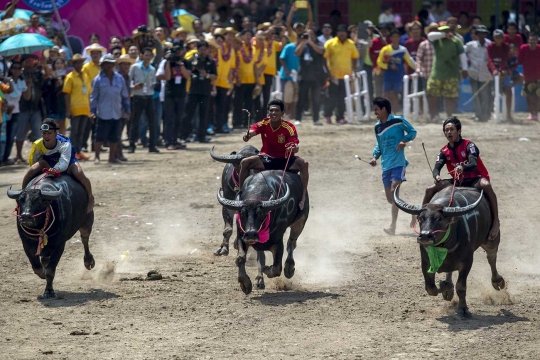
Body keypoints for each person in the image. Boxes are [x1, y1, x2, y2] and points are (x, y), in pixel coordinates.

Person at [422, 116, 500, 241]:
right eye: (446, 130)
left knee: (486, 185)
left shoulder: (469, 145)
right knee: (429, 189)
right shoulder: (444, 151)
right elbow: (437, 167)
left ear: (459, 131)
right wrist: (436, 175)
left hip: (475, 179)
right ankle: (423, 218)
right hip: (458, 181)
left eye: (452, 129)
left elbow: (473, 164)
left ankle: (496, 221)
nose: (449, 132)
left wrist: (462, 168)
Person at [239, 99, 309, 210]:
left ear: (282, 113)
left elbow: (295, 145)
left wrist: (294, 148)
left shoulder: (289, 127)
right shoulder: (264, 123)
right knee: (244, 162)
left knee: (304, 164)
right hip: (267, 158)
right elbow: (253, 130)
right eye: (271, 111)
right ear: (268, 113)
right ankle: (241, 194)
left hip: (285, 159)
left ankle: (303, 197)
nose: (273, 113)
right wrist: (248, 135)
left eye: (276, 110)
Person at [24, 119, 94, 213]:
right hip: (48, 163)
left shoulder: (65, 143)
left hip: (68, 163)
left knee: (79, 173)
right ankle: (23, 195)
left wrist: (56, 169)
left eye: (49, 133)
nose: (46, 136)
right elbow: (33, 160)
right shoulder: (38, 144)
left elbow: (64, 162)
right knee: (31, 170)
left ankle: (90, 197)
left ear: (55, 133)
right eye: (44, 133)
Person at [369, 97, 416, 235]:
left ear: (384, 109)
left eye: (376, 109)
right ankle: (413, 210)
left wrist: (404, 140)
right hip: (386, 165)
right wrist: (374, 157)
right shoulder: (377, 127)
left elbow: (413, 132)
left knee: (394, 191)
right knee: (392, 199)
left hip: (398, 164)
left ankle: (392, 227)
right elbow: (379, 144)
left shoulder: (398, 121)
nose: (375, 112)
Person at [90, 54, 130, 164]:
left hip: (116, 111)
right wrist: (92, 111)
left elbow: (125, 95)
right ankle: (97, 157)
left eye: (110, 63)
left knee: (115, 136)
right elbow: (94, 97)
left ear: (113, 65)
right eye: (106, 64)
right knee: (99, 136)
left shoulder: (120, 78)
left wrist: (127, 108)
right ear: (102, 65)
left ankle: (111, 157)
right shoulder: (97, 80)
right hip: (103, 112)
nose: (108, 66)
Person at [426, 25, 468, 122]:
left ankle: (449, 117)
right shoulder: (437, 40)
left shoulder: (456, 40)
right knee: (433, 96)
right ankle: (433, 117)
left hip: (452, 73)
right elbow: (430, 36)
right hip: (437, 73)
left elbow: (462, 54)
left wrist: (465, 68)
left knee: (450, 97)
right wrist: (444, 34)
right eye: (442, 31)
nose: (445, 32)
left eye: (446, 30)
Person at [180, 41, 216, 144]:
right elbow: (186, 70)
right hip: (193, 90)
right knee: (188, 114)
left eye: (205, 49)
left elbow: (215, 76)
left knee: (203, 114)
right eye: (201, 49)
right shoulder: (192, 60)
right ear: (198, 49)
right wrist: (194, 66)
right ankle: (184, 136)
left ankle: (201, 136)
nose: (203, 51)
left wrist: (205, 74)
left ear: (208, 50)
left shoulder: (211, 61)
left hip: (205, 91)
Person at [324, 24, 359, 124]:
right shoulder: (330, 43)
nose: (342, 33)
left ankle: (340, 117)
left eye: (344, 31)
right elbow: (324, 58)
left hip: (345, 76)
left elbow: (355, 56)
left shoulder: (350, 43)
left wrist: (353, 70)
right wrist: (328, 73)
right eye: (340, 31)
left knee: (342, 98)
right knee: (331, 97)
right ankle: (328, 115)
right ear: (337, 33)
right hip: (333, 75)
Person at [128, 47, 159, 153]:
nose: (148, 57)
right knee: (135, 121)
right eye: (146, 55)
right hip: (138, 96)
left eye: (150, 55)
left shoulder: (152, 69)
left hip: (149, 96)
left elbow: (153, 82)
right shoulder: (135, 67)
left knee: (152, 121)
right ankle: (132, 144)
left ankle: (152, 145)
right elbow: (128, 81)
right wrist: (134, 86)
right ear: (141, 55)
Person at [377, 30, 415, 113]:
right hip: (388, 74)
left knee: (395, 95)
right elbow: (379, 62)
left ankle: (394, 113)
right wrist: (388, 66)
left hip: (398, 75)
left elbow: (410, 61)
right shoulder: (385, 49)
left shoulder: (403, 50)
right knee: (385, 94)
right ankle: (385, 113)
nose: (395, 38)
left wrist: (417, 68)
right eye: (393, 36)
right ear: (390, 38)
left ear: (399, 38)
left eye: (397, 37)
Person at [63, 54, 92, 161]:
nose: (79, 64)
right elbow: (67, 94)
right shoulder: (70, 77)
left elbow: (89, 93)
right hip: (75, 108)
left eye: (80, 62)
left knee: (81, 132)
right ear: (73, 64)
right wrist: (68, 110)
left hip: (85, 108)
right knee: (74, 132)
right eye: (76, 62)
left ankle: (78, 152)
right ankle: (71, 153)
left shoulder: (86, 76)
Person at [295, 29, 325, 126]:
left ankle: (316, 119)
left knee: (316, 99)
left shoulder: (318, 43)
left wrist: (311, 42)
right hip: (303, 76)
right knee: (301, 98)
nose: (309, 36)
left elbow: (321, 51)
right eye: (307, 35)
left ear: (315, 36)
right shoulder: (302, 45)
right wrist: (303, 42)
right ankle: (298, 119)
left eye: (311, 34)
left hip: (316, 77)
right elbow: (297, 53)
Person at [4, 61, 29, 165]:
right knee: (3, 136)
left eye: (19, 68)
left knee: (11, 137)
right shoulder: (5, 81)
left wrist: (30, 84)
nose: (17, 70)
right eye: (14, 68)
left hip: (16, 111)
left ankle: (5, 158)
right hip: (5, 111)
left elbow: (27, 97)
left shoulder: (21, 81)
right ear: (11, 69)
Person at [464, 25, 492, 122]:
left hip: (486, 74)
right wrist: (466, 63)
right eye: (479, 33)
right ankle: (479, 114)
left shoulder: (490, 45)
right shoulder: (471, 45)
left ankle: (485, 115)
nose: (481, 35)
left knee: (485, 95)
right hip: (474, 73)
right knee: (476, 95)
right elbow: (461, 53)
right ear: (477, 34)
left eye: (483, 33)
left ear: (485, 34)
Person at [214, 28, 236, 134]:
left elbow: (231, 68)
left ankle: (220, 125)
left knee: (222, 106)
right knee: (211, 106)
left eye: (232, 36)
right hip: (214, 81)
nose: (231, 38)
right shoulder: (216, 47)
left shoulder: (232, 51)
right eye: (228, 35)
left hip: (224, 82)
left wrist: (230, 82)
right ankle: (211, 126)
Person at [116, 54, 135, 162]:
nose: (126, 66)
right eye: (124, 64)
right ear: (119, 65)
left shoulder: (127, 76)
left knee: (119, 131)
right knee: (117, 131)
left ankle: (117, 153)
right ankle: (118, 154)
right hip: (118, 106)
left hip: (124, 107)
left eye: (128, 64)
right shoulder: (118, 77)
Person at [518, 32, 540, 120]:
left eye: (534, 40)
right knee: (528, 95)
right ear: (528, 40)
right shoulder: (523, 48)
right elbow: (519, 60)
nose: (532, 42)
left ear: (537, 41)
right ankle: (531, 113)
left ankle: (536, 113)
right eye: (531, 40)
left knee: (538, 96)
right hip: (527, 76)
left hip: (538, 77)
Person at [43, 58, 67, 133]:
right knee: (54, 124)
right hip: (53, 104)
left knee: (62, 124)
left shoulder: (66, 77)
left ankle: (62, 141)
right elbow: (47, 90)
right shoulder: (51, 78)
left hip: (62, 104)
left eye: (61, 63)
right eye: (57, 63)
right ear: (53, 65)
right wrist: (54, 80)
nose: (59, 65)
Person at [279, 31, 300, 121]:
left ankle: (293, 112)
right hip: (287, 75)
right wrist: (286, 70)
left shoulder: (303, 48)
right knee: (288, 94)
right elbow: (282, 58)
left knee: (295, 95)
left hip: (297, 76)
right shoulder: (289, 47)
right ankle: (288, 113)